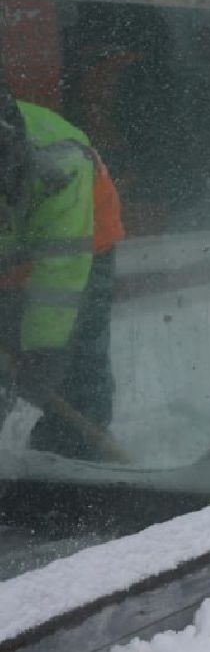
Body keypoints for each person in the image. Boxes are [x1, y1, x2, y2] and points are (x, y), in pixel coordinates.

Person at [0, 87, 124, 458]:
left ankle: (79, 459)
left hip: (84, 238)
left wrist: (41, 362)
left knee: (73, 349)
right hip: (15, 242)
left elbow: (60, 283)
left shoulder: (60, 163)